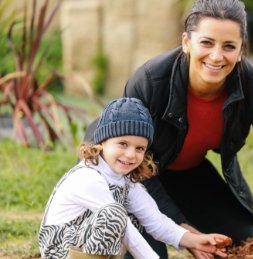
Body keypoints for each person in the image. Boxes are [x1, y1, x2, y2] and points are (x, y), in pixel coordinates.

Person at [84, 0, 253, 258]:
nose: (216, 56)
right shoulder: (150, 81)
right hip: (127, 175)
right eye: (206, 42)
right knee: (148, 253)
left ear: (241, 50)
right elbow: (131, 165)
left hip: (188, 172)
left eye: (229, 46)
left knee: (243, 243)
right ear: (186, 42)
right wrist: (182, 230)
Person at [39, 97, 231, 259]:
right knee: (116, 216)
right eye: (123, 144)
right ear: (101, 142)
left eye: (139, 148)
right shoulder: (88, 177)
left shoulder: (125, 181)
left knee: (134, 216)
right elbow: (127, 232)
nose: (131, 155)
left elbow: (156, 222)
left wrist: (195, 239)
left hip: (87, 243)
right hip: (59, 249)